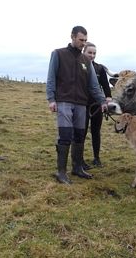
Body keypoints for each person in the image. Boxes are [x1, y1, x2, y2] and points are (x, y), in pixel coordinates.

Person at [46, 26, 109, 184]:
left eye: (85, 40)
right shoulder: (58, 54)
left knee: (80, 135)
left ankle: (77, 167)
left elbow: (94, 85)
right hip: (64, 101)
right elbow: (51, 78)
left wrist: (102, 101)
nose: (83, 43)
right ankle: (61, 172)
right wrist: (51, 99)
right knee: (65, 135)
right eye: (81, 40)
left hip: (81, 103)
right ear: (72, 37)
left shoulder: (86, 61)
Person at [82, 42, 112, 168]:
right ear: (84, 51)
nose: (92, 55)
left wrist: (108, 100)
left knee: (96, 132)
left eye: (94, 53)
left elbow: (106, 86)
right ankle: (79, 160)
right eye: (90, 52)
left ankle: (96, 158)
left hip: (96, 105)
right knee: (81, 132)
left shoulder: (99, 68)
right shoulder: (78, 66)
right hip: (81, 105)